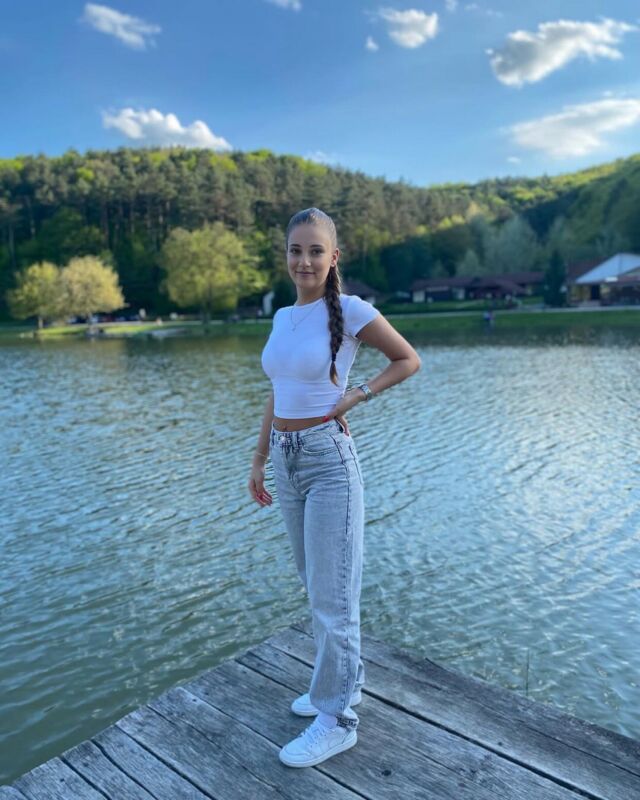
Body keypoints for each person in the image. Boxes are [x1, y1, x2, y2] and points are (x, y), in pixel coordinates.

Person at [249, 207, 421, 768]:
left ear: (333, 257)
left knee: (333, 597)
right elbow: (277, 390)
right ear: (286, 255)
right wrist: (259, 459)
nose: (304, 261)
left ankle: (338, 718)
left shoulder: (349, 311)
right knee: (316, 585)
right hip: (286, 460)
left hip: (328, 463)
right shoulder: (282, 317)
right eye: (295, 250)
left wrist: (355, 396)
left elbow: (406, 359)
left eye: (315, 250)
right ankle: (344, 684)